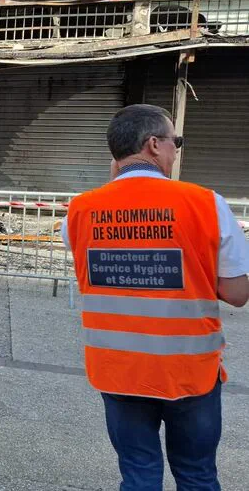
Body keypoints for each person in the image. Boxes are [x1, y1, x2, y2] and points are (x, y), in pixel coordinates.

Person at [63, 104, 249, 490]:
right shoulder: (205, 203)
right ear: (153, 144)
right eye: (174, 142)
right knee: (197, 474)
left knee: (138, 473)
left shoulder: (79, 210)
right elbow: (237, 292)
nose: (175, 150)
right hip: (188, 372)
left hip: (118, 369)